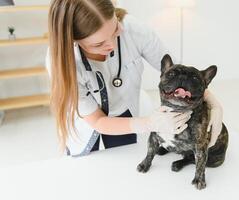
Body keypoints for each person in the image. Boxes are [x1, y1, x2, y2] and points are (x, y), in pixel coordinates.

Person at [46, 0, 223, 157]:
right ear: (74, 40)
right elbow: (98, 121)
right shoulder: (62, 62)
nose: (112, 44)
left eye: (115, 29)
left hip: (125, 113)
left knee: (124, 167)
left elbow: (178, 72)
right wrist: (148, 124)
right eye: (99, 44)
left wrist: (214, 103)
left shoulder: (135, 30)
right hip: (85, 127)